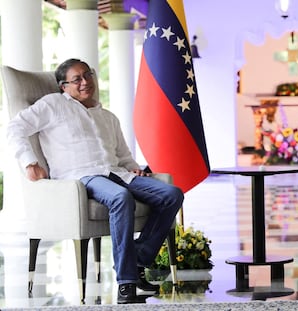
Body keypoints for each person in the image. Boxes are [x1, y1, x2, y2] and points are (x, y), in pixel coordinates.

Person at [7, 58, 184, 304]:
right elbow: (15, 127)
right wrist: (29, 162)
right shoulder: (53, 105)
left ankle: (138, 259)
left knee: (172, 195)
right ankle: (127, 282)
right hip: (80, 177)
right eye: (76, 79)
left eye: (87, 75)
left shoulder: (107, 116)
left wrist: (134, 168)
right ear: (63, 87)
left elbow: (123, 156)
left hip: (118, 173)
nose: (85, 82)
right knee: (120, 198)